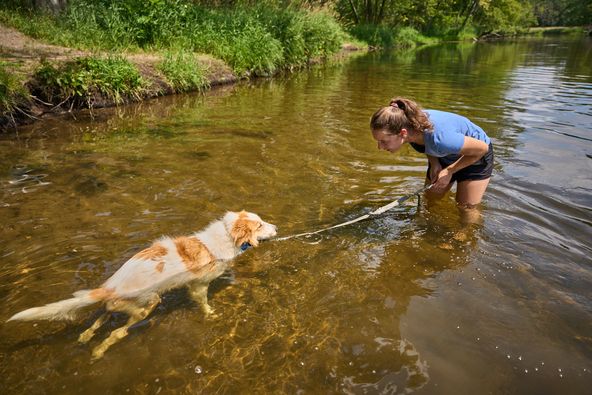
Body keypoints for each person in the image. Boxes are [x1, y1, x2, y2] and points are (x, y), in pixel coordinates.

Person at [370, 97, 494, 219]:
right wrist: (434, 163)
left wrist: (449, 171)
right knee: (431, 199)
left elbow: (482, 149)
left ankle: (466, 235)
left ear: (403, 133)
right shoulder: (410, 128)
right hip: (445, 153)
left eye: (383, 141)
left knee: (465, 207)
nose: (379, 147)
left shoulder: (441, 139)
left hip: (475, 155)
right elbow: (427, 144)